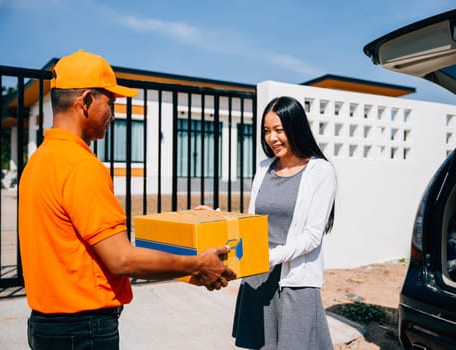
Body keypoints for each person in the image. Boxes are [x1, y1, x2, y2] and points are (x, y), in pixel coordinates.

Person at [18, 50, 236, 350]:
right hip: (83, 331)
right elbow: (122, 258)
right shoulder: (82, 167)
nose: (114, 114)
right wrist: (198, 264)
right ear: (85, 101)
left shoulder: (38, 162)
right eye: (111, 103)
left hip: (45, 326)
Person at [232, 96, 337, 349]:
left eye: (279, 130)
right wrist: (214, 217)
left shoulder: (320, 171)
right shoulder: (264, 168)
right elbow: (252, 221)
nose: (272, 138)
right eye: (267, 131)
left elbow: (312, 236)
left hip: (295, 280)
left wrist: (271, 257)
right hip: (257, 277)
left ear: (295, 127)